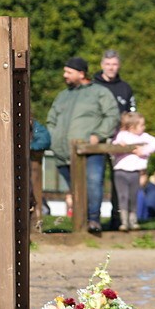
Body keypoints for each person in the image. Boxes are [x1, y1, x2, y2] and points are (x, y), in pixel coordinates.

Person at [45, 57, 119, 233]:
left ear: (81, 73)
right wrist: (54, 138)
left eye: (68, 72)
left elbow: (112, 115)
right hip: (63, 152)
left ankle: (93, 220)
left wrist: (98, 135)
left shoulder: (99, 92)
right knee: (75, 189)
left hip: (89, 151)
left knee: (93, 183)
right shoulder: (63, 96)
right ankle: (80, 222)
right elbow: (51, 120)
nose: (65, 75)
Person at [93, 50, 136, 229]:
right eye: (108, 64)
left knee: (121, 180)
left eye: (115, 64)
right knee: (96, 179)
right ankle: (93, 218)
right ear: (102, 65)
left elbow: (133, 115)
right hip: (99, 140)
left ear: (119, 66)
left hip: (121, 141)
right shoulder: (93, 86)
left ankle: (118, 219)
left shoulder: (125, 88)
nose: (111, 68)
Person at [111, 112, 155, 230]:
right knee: (123, 196)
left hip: (134, 171)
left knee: (133, 196)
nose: (144, 127)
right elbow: (114, 146)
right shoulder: (122, 135)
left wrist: (144, 150)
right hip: (121, 171)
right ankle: (124, 221)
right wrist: (119, 145)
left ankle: (133, 220)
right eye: (141, 125)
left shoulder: (144, 137)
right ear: (132, 126)